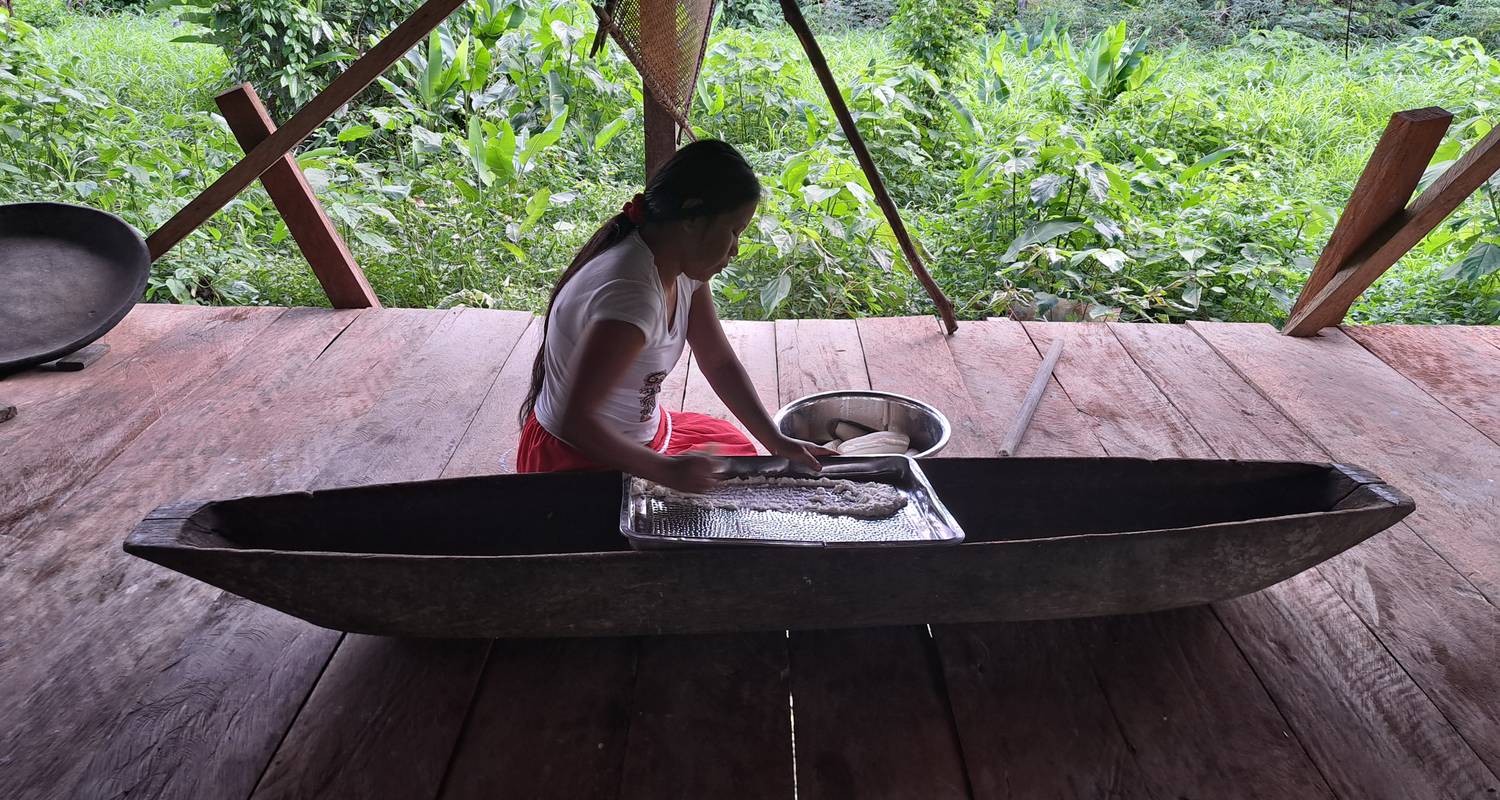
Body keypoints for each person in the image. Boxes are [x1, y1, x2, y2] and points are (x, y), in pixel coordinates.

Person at [516, 140, 829, 492]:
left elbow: (719, 361)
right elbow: (575, 422)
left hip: (635, 432)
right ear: (693, 219)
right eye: (733, 232)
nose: (735, 250)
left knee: (732, 449)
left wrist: (776, 440)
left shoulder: (681, 267)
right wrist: (666, 471)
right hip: (578, 454)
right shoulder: (632, 298)